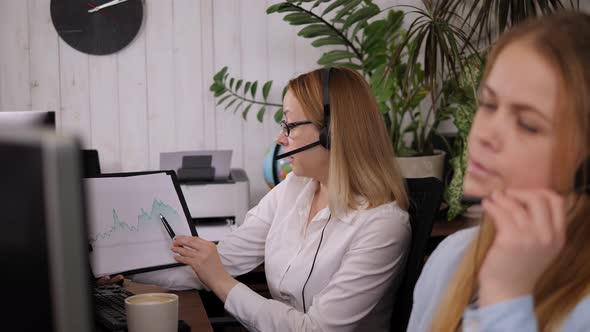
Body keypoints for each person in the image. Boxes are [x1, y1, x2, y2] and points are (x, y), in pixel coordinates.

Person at [133, 67, 411, 331]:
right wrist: (126, 272)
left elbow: (315, 330)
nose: (280, 138)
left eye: (289, 126)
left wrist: (219, 279)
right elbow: (222, 260)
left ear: (331, 133)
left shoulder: (382, 225)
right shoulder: (294, 188)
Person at [407, 11, 590, 332]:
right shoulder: (453, 256)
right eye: (489, 105)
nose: (486, 134)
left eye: (528, 124)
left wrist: (506, 299)